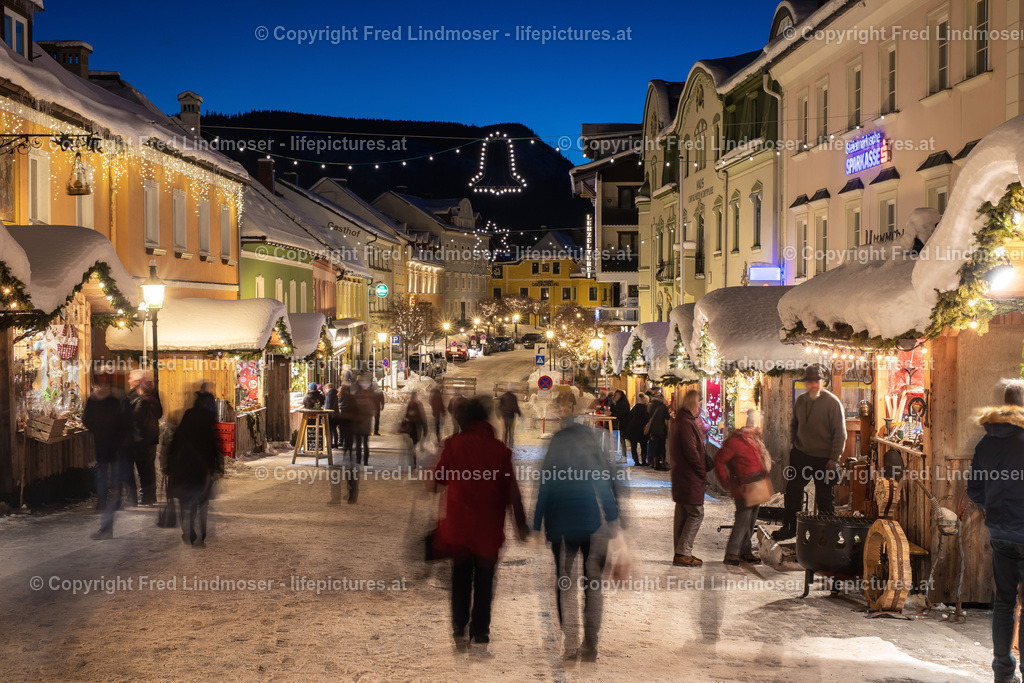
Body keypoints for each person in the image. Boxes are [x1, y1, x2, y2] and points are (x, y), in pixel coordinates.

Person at [432, 398, 529, 651]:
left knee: (460, 579)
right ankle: (481, 631)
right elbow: (511, 490)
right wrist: (521, 523)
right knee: (485, 581)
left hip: (459, 528)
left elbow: (439, 478)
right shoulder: (500, 450)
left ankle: (459, 628)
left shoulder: (453, 445)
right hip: (488, 529)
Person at [534, 392, 620, 662]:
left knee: (564, 583)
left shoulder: (557, 442)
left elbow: (545, 485)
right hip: (589, 522)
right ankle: (590, 643)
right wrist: (613, 516)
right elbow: (603, 480)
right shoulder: (589, 439)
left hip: (561, 525)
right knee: (592, 584)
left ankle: (570, 643)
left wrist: (536, 522)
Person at [968, 380, 1024, 683]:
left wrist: (993, 506)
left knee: (1004, 603)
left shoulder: (986, 440)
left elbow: (975, 490)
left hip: (1000, 534)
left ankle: (1002, 672)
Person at [774, 364, 847, 541]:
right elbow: (794, 425)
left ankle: (826, 535)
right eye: (810, 382)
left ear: (822, 382)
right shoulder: (801, 401)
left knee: (825, 497)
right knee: (792, 493)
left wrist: (834, 459)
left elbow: (840, 433)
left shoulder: (832, 403)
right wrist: (795, 444)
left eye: (816, 381)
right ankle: (790, 528)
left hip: (824, 459)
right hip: (801, 455)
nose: (813, 385)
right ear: (806, 383)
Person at [164, 390, 224, 547]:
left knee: (185, 500)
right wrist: (217, 466)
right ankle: (201, 534)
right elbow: (214, 445)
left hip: (183, 466)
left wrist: (168, 465)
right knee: (202, 501)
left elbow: (175, 442)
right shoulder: (208, 421)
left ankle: (188, 529)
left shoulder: (187, 417)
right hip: (201, 468)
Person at [715, 409, 772, 565]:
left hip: (757, 484)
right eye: (754, 422)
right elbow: (718, 461)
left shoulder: (754, 439)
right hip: (743, 485)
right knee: (743, 519)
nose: (757, 426)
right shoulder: (735, 441)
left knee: (751, 520)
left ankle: (744, 550)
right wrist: (725, 482)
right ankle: (732, 552)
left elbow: (755, 460)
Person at [83, 372, 129, 540]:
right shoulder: (116, 400)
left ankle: (104, 510)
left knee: (104, 479)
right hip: (115, 448)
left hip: (103, 447)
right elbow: (125, 422)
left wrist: (97, 431)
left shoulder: (93, 400)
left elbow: (86, 419)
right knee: (114, 485)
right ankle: (107, 519)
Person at [670, 389, 707, 567]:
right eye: (699, 402)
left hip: (682, 475)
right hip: (689, 476)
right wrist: (701, 472)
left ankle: (680, 552)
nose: (700, 406)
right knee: (696, 513)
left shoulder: (682, 420)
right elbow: (691, 451)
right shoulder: (686, 423)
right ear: (694, 403)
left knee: (683, 512)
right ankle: (683, 552)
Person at [126, 370, 162, 506]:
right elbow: (159, 414)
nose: (128, 381)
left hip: (140, 438)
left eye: (130, 378)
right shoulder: (153, 396)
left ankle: (142, 498)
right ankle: (149, 497)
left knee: (142, 469)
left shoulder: (139, 398)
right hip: (149, 437)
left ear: (138, 382)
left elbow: (134, 417)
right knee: (147, 468)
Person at [352, 381, 374, 466]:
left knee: (358, 443)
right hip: (366, 425)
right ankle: (365, 461)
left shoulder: (355, 401)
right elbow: (371, 413)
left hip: (357, 425)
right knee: (365, 444)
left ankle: (358, 460)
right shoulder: (368, 401)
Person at [402, 393, 428, 468]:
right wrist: (425, 427)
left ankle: (414, 460)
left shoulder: (411, 404)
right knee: (414, 443)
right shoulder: (417, 404)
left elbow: (406, 415)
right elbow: (421, 416)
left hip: (412, 427)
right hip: (415, 427)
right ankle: (414, 460)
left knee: (413, 443)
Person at [624, 393, 650, 466]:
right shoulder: (647, 409)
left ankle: (636, 461)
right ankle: (644, 461)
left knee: (633, 446)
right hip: (642, 429)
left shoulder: (635, 407)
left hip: (633, 428)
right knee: (643, 445)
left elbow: (629, 416)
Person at [647, 394, 670, 471]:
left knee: (654, 446)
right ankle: (663, 464)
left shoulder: (650, 406)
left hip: (653, 429)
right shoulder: (663, 406)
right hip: (661, 429)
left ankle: (655, 464)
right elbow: (667, 417)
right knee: (662, 447)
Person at [610, 390, 631, 462]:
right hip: (622, 423)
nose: (616, 396)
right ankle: (623, 456)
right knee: (622, 440)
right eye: (615, 395)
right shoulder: (619, 403)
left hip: (624, 423)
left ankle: (624, 456)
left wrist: (612, 414)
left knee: (623, 440)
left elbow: (621, 414)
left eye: (617, 395)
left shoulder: (623, 403)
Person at [323, 383, 340, 448]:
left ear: (328, 388)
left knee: (330, 429)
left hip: (331, 414)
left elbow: (328, 405)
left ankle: (330, 443)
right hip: (335, 413)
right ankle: (335, 443)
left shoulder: (330, 394)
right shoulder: (335, 393)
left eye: (326, 389)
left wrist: (326, 411)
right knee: (334, 429)